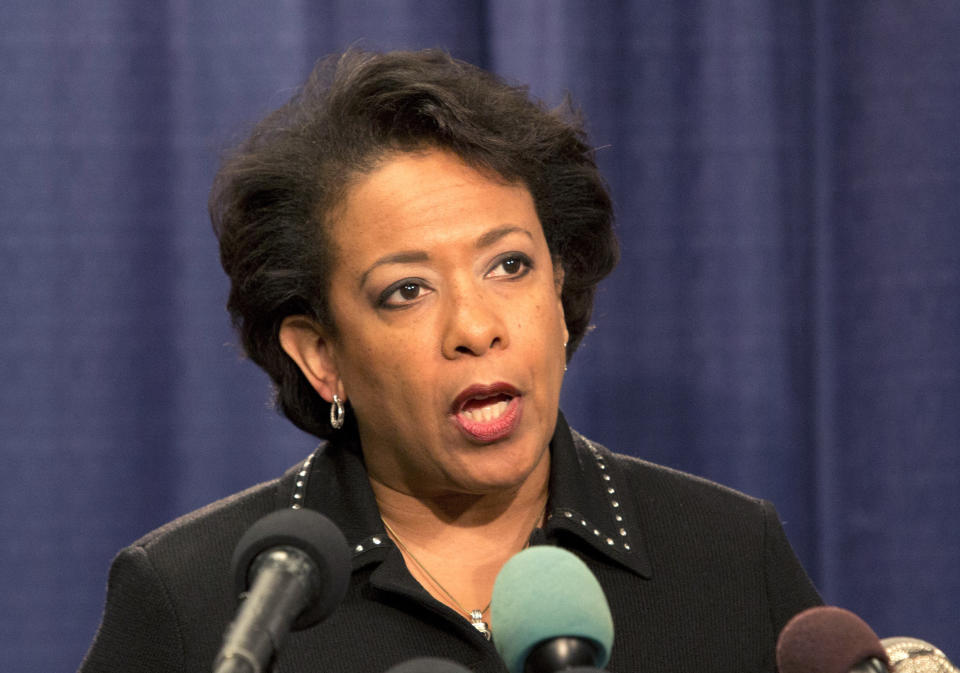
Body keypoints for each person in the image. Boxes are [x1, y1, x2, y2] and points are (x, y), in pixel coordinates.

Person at [80, 49, 820, 673]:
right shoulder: (198, 600)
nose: (475, 326)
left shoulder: (727, 555)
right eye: (407, 290)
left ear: (561, 291)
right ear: (321, 354)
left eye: (509, 265)